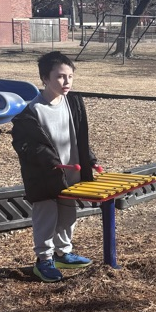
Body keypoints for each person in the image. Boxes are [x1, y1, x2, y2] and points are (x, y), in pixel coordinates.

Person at [11, 50, 102, 283]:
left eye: (70, 76)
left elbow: (78, 137)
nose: (66, 82)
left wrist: (90, 159)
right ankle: (44, 260)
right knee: (46, 216)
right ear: (45, 78)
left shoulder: (73, 103)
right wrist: (52, 163)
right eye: (60, 77)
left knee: (68, 214)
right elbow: (25, 145)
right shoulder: (31, 112)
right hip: (44, 175)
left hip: (71, 173)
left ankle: (63, 252)